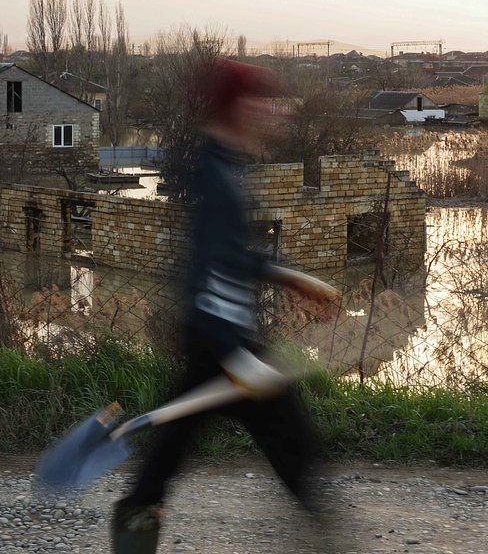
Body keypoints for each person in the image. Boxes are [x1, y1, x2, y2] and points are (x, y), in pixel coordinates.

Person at [111, 58, 339, 554]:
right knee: (293, 442)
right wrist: (237, 361)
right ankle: (330, 537)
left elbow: (231, 255)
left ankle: (133, 526)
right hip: (222, 340)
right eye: (261, 99)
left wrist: (292, 277)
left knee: (169, 453)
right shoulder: (216, 177)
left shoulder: (227, 167)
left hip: (220, 338)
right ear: (235, 106)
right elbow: (204, 273)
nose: (273, 111)